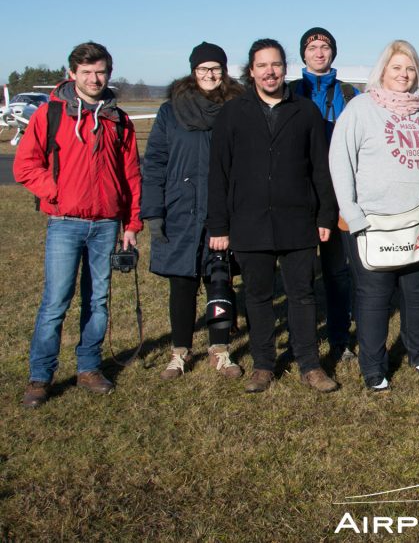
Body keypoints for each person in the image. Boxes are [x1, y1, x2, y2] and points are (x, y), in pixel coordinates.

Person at [207, 38, 340, 394]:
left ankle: (310, 365)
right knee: (258, 296)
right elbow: (218, 173)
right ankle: (264, 364)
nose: (270, 71)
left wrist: (326, 216)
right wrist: (219, 225)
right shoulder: (233, 113)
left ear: (286, 69)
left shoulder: (306, 112)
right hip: (248, 221)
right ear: (251, 72)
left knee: (302, 295)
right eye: (262, 65)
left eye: (276, 65)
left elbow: (320, 170)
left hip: (297, 220)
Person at [16, 41, 142, 408]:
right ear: (72, 74)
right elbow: (25, 164)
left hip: (106, 224)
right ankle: (40, 376)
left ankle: (88, 367)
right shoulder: (50, 114)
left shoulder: (118, 119)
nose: (93, 78)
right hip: (65, 222)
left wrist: (131, 223)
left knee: (98, 301)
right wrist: (54, 191)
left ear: (109, 73)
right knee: (55, 302)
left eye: (100, 71)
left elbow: (132, 174)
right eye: (86, 72)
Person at [330, 40, 419, 392]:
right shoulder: (360, 108)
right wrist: (352, 213)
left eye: (410, 68)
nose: (403, 74)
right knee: (374, 297)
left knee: (418, 293)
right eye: (397, 67)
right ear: (383, 70)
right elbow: (341, 162)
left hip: (418, 221)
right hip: (372, 224)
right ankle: (373, 367)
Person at [142, 42, 246, 381]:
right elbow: (155, 163)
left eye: (215, 68)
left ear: (224, 70)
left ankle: (220, 349)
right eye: (203, 69)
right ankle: (180, 351)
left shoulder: (239, 106)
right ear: (193, 71)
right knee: (182, 283)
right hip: (180, 209)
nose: (210, 74)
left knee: (220, 279)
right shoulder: (171, 111)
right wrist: (154, 212)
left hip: (223, 209)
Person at [288, 27, 358, 360]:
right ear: (303, 53)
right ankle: (298, 336)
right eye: (312, 47)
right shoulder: (289, 92)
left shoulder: (349, 93)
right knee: (298, 274)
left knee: (337, 271)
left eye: (325, 46)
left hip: (338, 193)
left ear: (333, 53)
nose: (319, 52)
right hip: (297, 194)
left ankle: (339, 337)